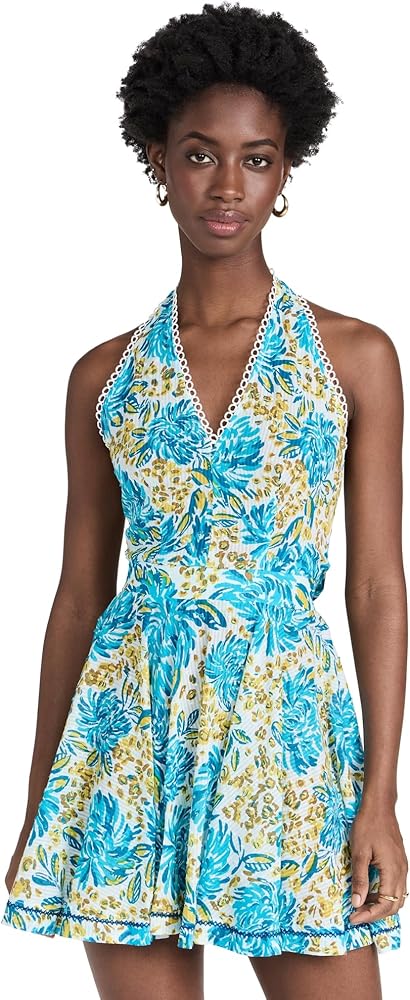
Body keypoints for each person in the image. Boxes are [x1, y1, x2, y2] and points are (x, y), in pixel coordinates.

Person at [2, 3, 408, 998]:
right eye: (198, 155)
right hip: (128, 743)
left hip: (287, 743)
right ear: (156, 161)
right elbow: (78, 597)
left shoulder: (353, 356)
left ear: (285, 171)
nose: (227, 185)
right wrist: (42, 802)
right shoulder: (104, 376)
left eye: (256, 159)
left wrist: (380, 799)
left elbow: (373, 587)